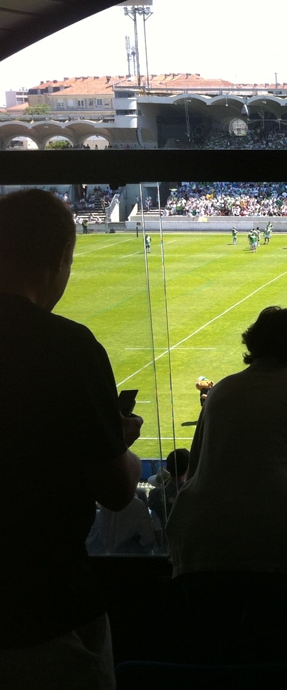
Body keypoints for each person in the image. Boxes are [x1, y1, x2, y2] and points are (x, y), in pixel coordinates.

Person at [167, 306, 287, 668]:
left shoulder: (222, 391)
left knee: (210, 666)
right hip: (275, 552)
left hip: (200, 552)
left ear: (253, 345)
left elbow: (195, 475)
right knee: (278, 667)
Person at [0, 189, 143, 688]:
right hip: (45, 603)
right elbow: (117, 490)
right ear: (61, 259)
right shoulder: (67, 347)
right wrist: (119, 441)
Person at [148, 448, 190, 554]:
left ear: (168, 468)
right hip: (187, 549)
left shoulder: (155, 494)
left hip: (166, 549)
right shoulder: (193, 493)